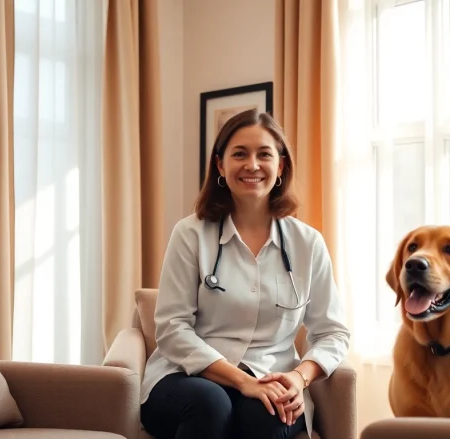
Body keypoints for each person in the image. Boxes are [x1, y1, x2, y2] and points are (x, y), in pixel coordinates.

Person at [139, 109, 351, 439]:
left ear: (280, 166)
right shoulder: (191, 234)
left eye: (264, 154)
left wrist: (299, 378)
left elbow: (333, 332)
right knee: (210, 405)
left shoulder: (307, 243)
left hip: (272, 377)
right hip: (186, 377)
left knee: (266, 418)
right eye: (240, 154)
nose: (252, 165)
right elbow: (171, 328)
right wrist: (243, 382)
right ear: (220, 165)